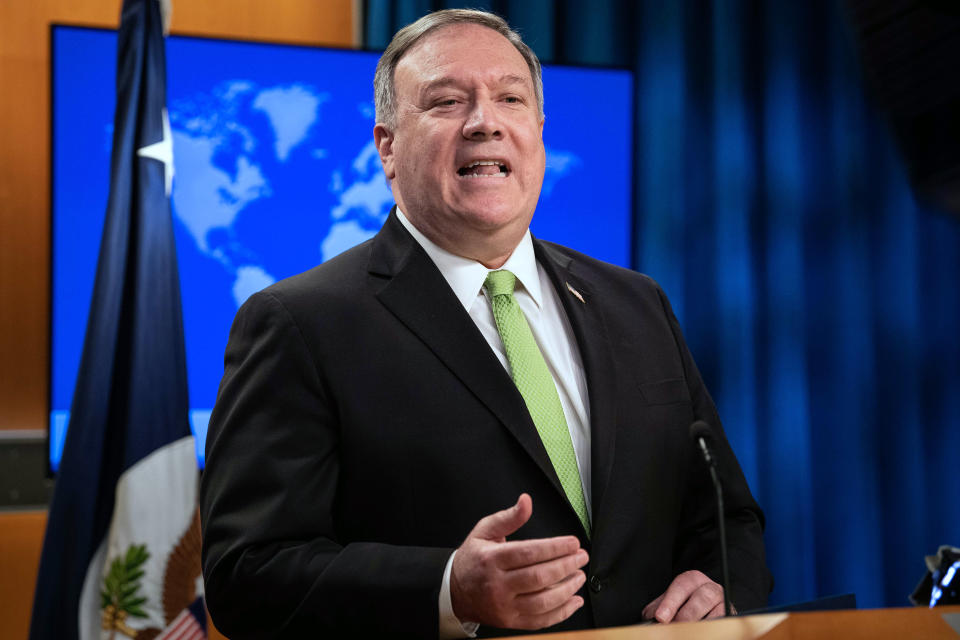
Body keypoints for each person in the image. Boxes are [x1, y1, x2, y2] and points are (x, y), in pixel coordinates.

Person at [199, 9, 772, 639]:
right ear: (388, 147)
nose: (485, 122)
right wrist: (450, 590)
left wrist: (720, 583)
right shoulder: (299, 324)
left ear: (538, 129)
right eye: (447, 101)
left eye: (510, 98)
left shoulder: (636, 303)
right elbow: (247, 572)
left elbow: (727, 518)